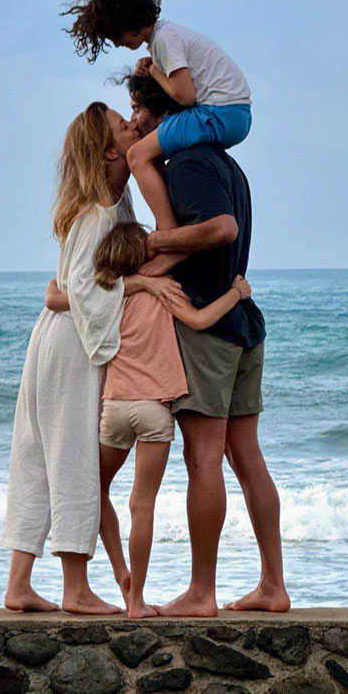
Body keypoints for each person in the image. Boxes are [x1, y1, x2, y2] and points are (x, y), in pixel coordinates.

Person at [0, 102, 186, 614]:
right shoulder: (101, 211)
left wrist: (63, 293)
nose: (133, 127)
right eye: (125, 128)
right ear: (108, 150)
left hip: (56, 338)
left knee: (39, 455)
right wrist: (141, 282)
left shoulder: (111, 206)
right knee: (74, 458)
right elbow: (79, 288)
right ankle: (75, 587)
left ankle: (19, 584)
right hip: (71, 346)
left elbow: (66, 289)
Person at [126, 74, 291, 616]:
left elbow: (220, 229)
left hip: (208, 328)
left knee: (204, 459)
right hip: (240, 320)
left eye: (137, 109)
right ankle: (273, 585)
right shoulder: (227, 162)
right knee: (246, 457)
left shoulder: (189, 161)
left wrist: (152, 242)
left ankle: (202, 592)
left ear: (160, 113)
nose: (135, 124)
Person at [96, 222, 252, 618]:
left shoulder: (107, 295)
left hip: (114, 407)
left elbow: (61, 298)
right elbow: (200, 321)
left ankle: (117, 573)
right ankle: (136, 602)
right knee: (141, 504)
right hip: (154, 411)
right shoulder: (166, 290)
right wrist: (236, 292)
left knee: (93, 488)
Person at [62, 0, 252, 231]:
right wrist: (153, 65)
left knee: (138, 156)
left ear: (129, 21)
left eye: (116, 35)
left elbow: (185, 96)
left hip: (220, 113)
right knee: (153, 154)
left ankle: (166, 230)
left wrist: (153, 69)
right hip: (234, 113)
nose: (116, 44)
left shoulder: (164, 40)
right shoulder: (166, 37)